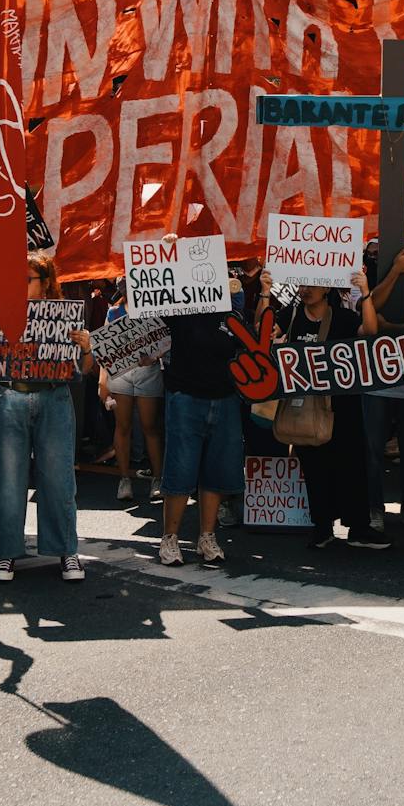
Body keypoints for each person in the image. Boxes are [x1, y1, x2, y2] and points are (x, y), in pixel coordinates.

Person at [0, 254, 95, 583]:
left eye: (27, 280)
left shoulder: (64, 318)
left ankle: (66, 550)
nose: (19, 287)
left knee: (59, 480)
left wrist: (86, 347)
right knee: (7, 481)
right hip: (11, 395)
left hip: (53, 397)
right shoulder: (0, 314)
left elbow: (84, 370)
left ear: (45, 283)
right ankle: (6, 553)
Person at [157, 235, 255, 568]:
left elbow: (247, 342)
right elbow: (154, 301)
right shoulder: (180, 305)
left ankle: (207, 537)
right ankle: (170, 538)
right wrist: (168, 254)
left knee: (216, 469)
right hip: (186, 395)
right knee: (180, 468)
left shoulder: (231, 307)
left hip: (224, 397)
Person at [279, 275, 373, 550]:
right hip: (305, 408)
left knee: (351, 464)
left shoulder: (344, 318)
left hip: (342, 406)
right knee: (314, 467)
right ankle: (322, 527)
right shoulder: (291, 315)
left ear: (327, 286)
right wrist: (263, 293)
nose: (305, 289)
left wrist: (365, 292)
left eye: (312, 284)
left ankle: (359, 527)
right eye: (302, 284)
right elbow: (264, 330)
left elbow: (370, 332)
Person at [359, 245, 404, 542]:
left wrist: (390, 327)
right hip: (376, 383)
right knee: (372, 451)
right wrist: (393, 273)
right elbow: (370, 321)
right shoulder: (374, 284)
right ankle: (374, 508)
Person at [101, 290, 165, 503]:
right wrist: (103, 381)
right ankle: (124, 479)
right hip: (120, 372)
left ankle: (157, 479)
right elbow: (104, 347)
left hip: (147, 371)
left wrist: (154, 356)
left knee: (150, 426)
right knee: (123, 425)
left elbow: (166, 340)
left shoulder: (155, 308)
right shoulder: (114, 312)